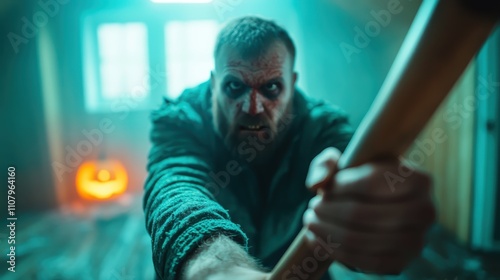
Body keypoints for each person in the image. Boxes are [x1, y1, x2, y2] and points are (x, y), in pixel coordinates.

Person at [143, 16, 435, 280]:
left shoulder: (321, 126)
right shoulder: (181, 120)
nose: (253, 108)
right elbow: (174, 186)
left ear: (292, 84)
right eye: (235, 87)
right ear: (214, 83)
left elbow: (352, 165)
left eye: (271, 88)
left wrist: (374, 214)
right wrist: (212, 269)